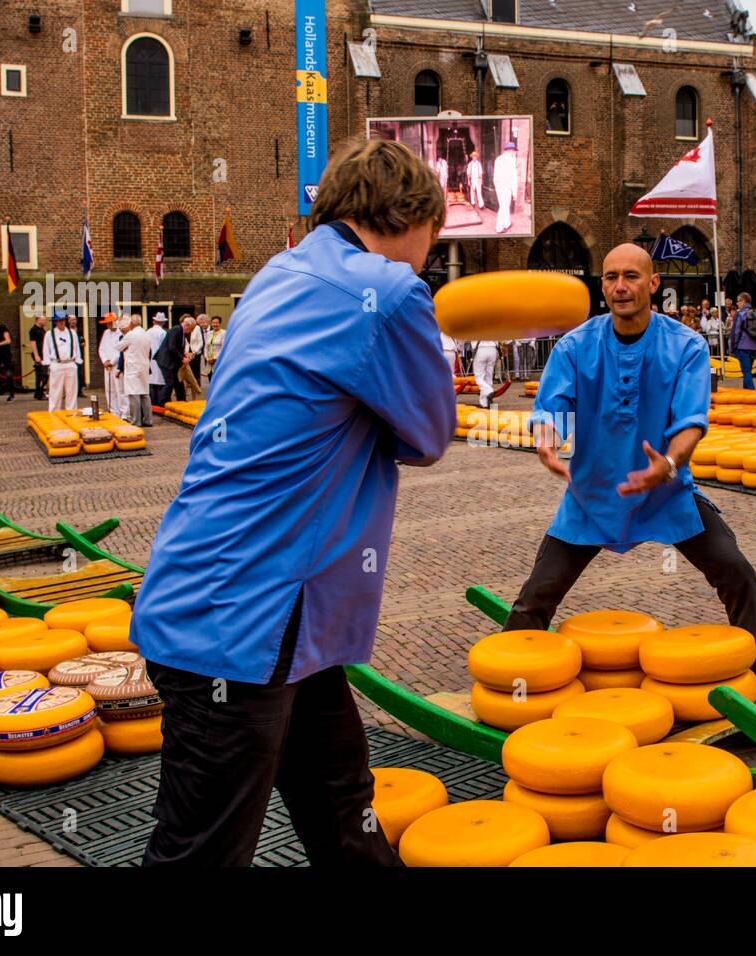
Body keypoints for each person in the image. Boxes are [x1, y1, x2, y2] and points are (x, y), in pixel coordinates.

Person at [131, 137, 455, 867]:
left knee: (343, 807)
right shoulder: (390, 292)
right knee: (202, 854)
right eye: (433, 237)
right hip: (245, 626)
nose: (430, 256)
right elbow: (431, 433)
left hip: (255, 611)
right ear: (410, 215)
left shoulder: (280, 273)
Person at [506, 243, 756, 683]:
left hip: (667, 493)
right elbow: (552, 407)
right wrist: (546, 440)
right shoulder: (575, 346)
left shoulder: (687, 347)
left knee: (734, 571)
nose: (620, 287)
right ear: (602, 285)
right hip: (593, 496)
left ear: (653, 283)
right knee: (538, 594)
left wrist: (669, 465)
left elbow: (692, 422)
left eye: (631, 276)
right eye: (611, 277)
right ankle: (512, 679)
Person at [42, 311, 82, 413]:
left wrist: (77, 361)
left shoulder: (72, 333)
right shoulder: (49, 334)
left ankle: (71, 412)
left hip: (70, 364)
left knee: (72, 391)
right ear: (55, 322)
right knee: (55, 391)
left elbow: (76, 347)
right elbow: (46, 350)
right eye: (59, 321)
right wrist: (48, 364)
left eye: (63, 320)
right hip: (57, 364)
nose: (61, 323)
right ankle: (54, 413)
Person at [727, 292, 756, 390]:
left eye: (738, 301)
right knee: (748, 370)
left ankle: (752, 394)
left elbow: (736, 332)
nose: (737, 303)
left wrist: (732, 347)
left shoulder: (740, 314)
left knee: (746, 372)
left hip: (743, 346)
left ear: (743, 301)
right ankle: (746, 393)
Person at [120, 315, 154, 426]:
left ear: (131, 324)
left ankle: (135, 420)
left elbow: (118, 347)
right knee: (145, 393)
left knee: (133, 393)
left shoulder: (130, 335)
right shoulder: (146, 334)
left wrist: (123, 334)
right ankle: (148, 420)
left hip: (133, 368)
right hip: (144, 366)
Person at [157, 315, 194, 406]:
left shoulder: (181, 332)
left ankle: (181, 401)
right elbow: (172, 347)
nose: (191, 331)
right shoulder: (176, 329)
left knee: (178, 381)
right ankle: (160, 403)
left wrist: (185, 354)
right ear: (187, 325)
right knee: (170, 383)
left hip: (173, 361)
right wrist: (182, 358)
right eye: (191, 329)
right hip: (166, 361)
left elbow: (177, 348)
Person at [98, 314, 127, 418]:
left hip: (116, 365)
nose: (109, 325)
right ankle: (113, 411)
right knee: (109, 389)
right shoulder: (106, 333)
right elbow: (101, 348)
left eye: (111, 322)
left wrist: (112, 361)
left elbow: (120, 351)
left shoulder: (121, 333)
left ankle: (123, 413)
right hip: (107, 366)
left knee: (120, 389)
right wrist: (105, 360)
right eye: (108, 323)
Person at [493, 142, 519, 234]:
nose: (515, 152)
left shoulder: (498, 159)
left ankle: (507, 223)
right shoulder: (511, 160)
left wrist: (497, 186)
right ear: (511, 150)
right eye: (514, 151)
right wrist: (514, 193)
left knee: (504, 206)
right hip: (507, 187)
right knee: (504, 207)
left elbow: (495, 176)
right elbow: (514, 177)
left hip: (499, 186)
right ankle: (499, 228)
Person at [147, 313, 168, 406]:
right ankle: (160, 403)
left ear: (154, 321)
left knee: (152, 381)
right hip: (161, 359)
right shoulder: (163, 333)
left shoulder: (147, 332)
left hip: (150, 359)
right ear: (163, 323)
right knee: (161, 381)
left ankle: (153, 402)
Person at [28, 314, 48, 401]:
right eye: (43, 320)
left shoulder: (42, 329)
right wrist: (36, 355)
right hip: (39, 354)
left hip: (43, 354)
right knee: (42, 374)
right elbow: (33, 343)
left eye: (45, 320)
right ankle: (39, 393)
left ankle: (38, 392)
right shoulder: (33, 330)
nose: (45, 321)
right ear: (37, 320)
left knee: (43, 374)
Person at [67, 314, 86, 396]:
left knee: (80, 373)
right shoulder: (66, 331)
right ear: (68, 321)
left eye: (75, 320)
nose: (74, 321)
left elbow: (83, 340)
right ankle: (69, 392)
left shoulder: (80, 330)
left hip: (79, 354)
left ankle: (79, 391)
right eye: (72, 320)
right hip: (69, 355)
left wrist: (83, 344)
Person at [188, 314, 208, 385]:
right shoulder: (192, 329)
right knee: (191, 369)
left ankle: (199, 384)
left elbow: (202, 342)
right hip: (191, 352)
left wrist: (195, 352)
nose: (202, 324)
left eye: (204, 322)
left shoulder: (198, 328)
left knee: (199, 369)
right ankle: (192, 384)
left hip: (201, 352)